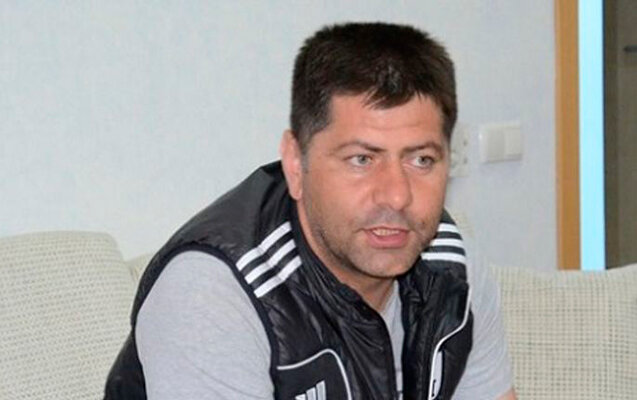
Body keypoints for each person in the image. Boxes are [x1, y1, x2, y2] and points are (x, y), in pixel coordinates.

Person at [105, 22, 516, 400]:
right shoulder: (213, 293)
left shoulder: (453, 267)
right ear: (295, 163)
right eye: (361, 159)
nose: (396, 196)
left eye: (421, 160)